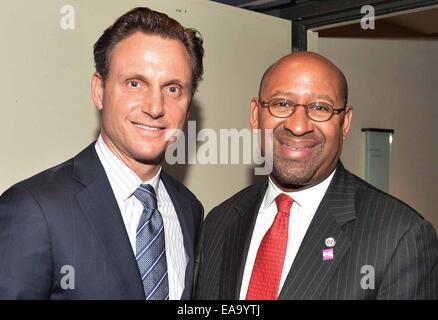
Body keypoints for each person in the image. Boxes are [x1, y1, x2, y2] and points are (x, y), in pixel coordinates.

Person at [194, 52, 438, 300]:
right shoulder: (219, 223)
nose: (298, 126)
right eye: (282, 104)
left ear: (345, 123)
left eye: (321, 108)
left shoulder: (399, 237)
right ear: (256, 115)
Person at [0, 7, 204, 299]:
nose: (155, 107)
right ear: (99, 90)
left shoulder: (189, 210)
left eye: (173, 89)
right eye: (135, 83)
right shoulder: (34, 209)